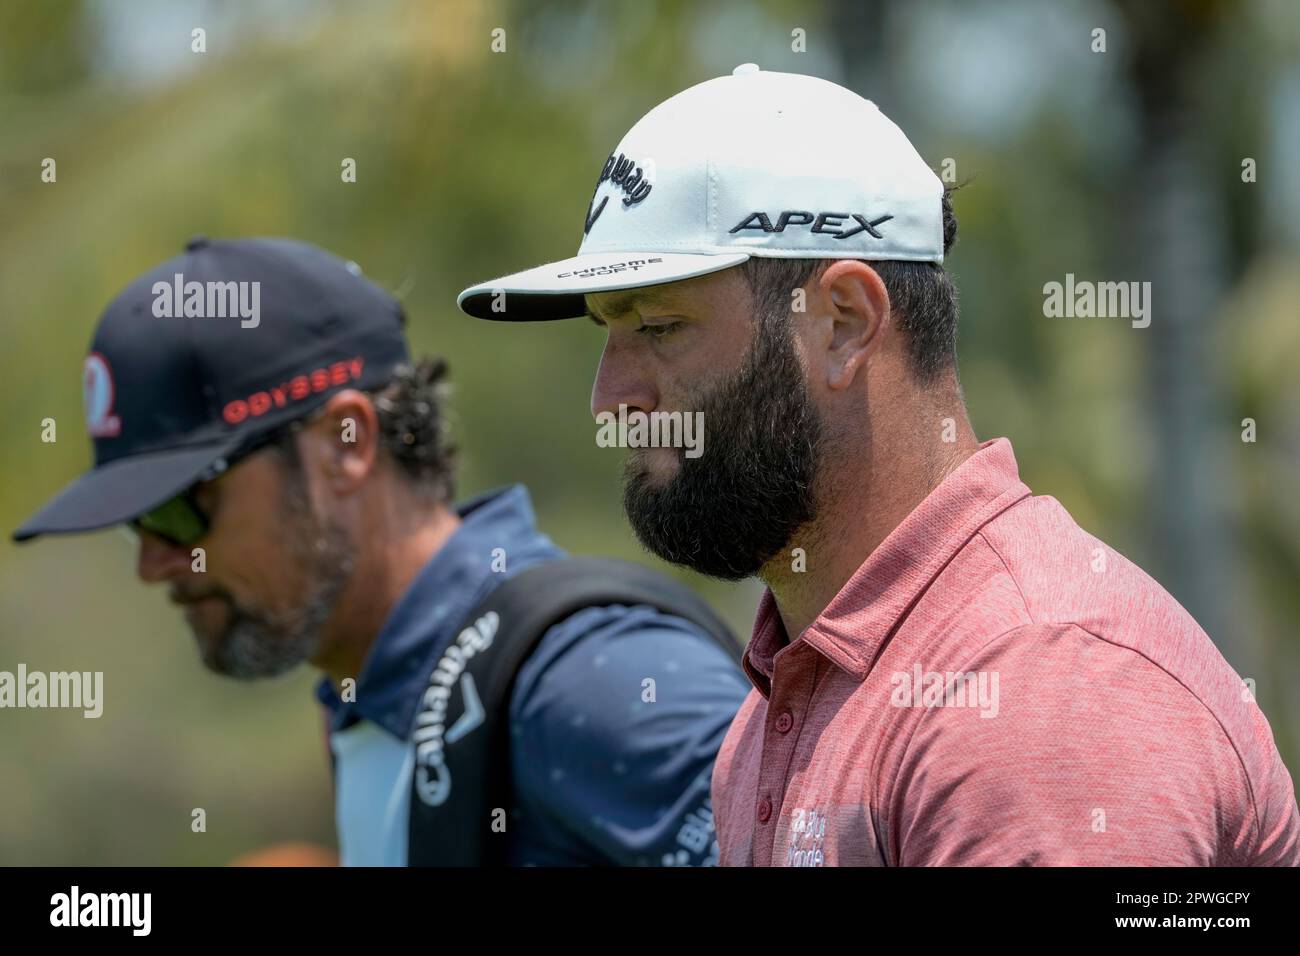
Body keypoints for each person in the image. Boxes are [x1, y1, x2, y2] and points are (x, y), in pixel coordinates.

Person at [455, 65, 1300, 865]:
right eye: (607, 329)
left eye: (660, 326)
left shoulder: (1034, 690)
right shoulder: (785, 698)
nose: (610, 398)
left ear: (845, 322)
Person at [13, 236, 749, 866]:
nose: (155, 563)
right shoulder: (377, 693)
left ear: (346, 444)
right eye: (134, 523)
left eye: (178, 509)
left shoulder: (583, 679)